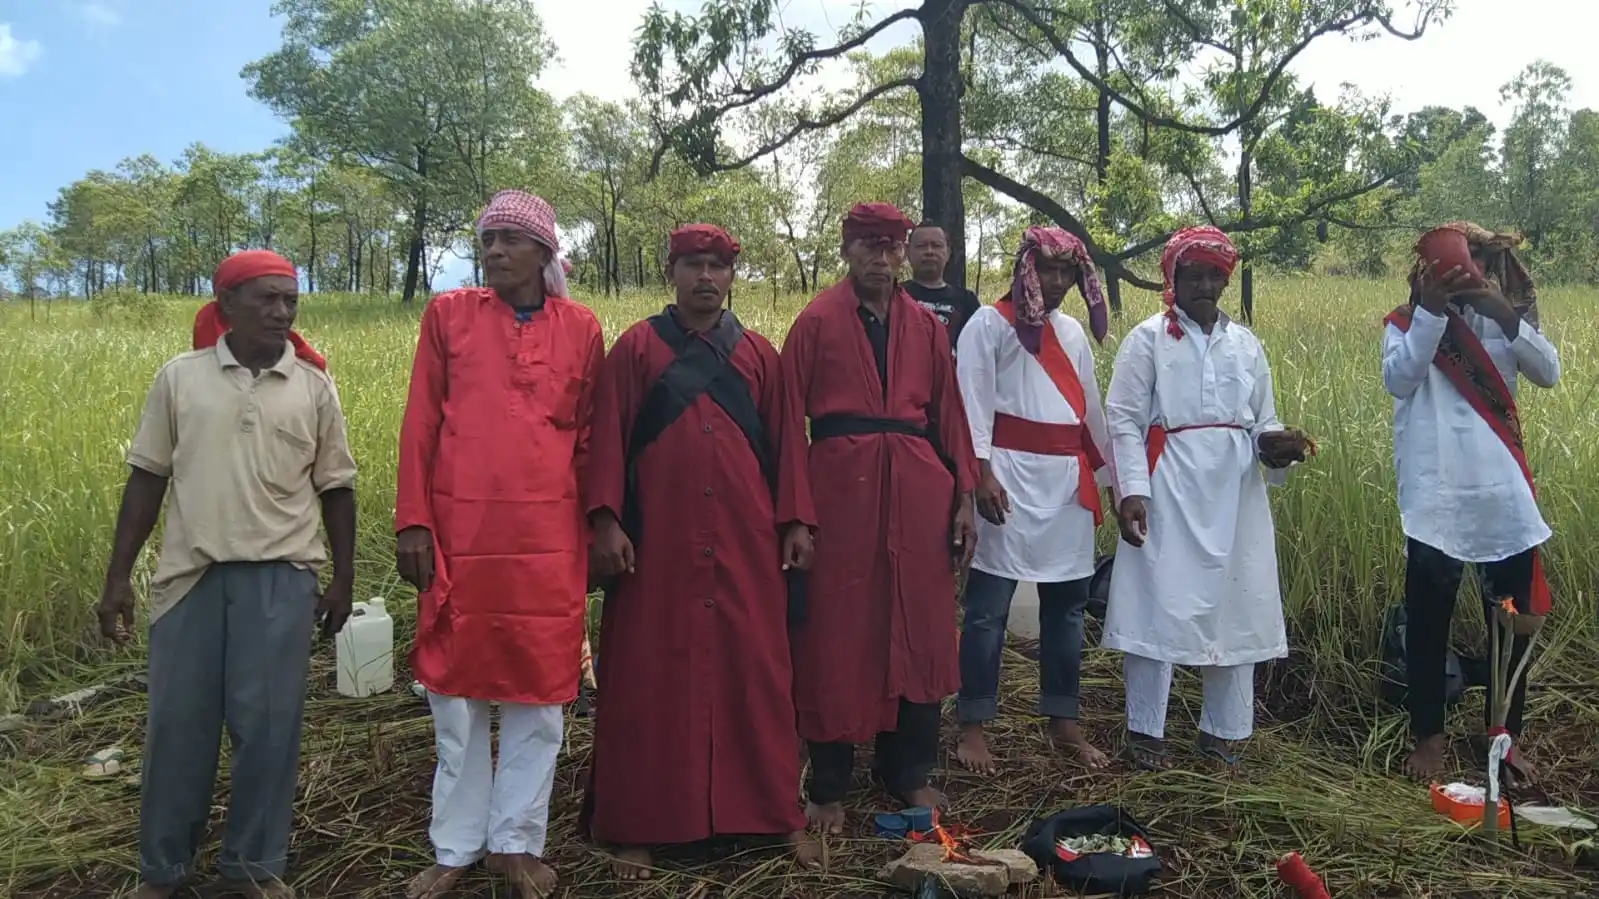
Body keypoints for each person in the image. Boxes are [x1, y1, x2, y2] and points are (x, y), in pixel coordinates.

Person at [98, 250, 357, 899]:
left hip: (281, 577)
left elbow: (337, 488)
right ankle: (162, 872)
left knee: (268, 731)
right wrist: (117, 578)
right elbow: (147, 478)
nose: (281, 312)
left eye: (289, 300)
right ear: (225, 307)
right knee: (177, 729)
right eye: (266, 299)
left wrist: (343, 579)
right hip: (191, 577)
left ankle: (254, 868)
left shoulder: (312, 386)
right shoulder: (180, 379)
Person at [582, 224, 821, 878]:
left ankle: (774, 815)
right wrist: (606, 520)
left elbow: (787, 448)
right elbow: (606, 438)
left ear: (731, 276)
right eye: (693, 264)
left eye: (717, 265)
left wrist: (796, 521)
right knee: (644, 682)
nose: (705, 277)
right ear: (672, 270)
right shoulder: (635, 350)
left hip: (745, 547)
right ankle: (636, 823)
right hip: (656, 549)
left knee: (759, 678)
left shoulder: (759, 357)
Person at [396, 190, 604, 899]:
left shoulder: (581, 328)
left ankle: (515, 841)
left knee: (539, 697)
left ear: (545, 254)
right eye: (486, 239)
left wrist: (597, 528)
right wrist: (413, 521)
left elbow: (587, 439)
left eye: (509, 240)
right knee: (454, 696)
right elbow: (421, 423)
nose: (492, 251)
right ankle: (454, 845)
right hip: (459, 533)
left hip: (548, 541)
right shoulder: (448, 316)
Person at [778, 202, 979, 833]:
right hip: (840, 490)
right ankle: (829, 784)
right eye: (869, 245)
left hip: (918, 490)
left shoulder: (924, 327)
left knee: (920, 627)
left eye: (891, 247)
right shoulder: (814, 323)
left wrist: (965, 496)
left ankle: (908, 770)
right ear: (847, 251)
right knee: (838, 632)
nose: (882, 258)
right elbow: (787, 425)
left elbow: (950, 416)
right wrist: (795, 518)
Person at [1101, 226, 1313, 771]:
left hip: (1236, 489)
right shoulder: (1147, 339)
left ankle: (1224, 733)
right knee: (1156, 602)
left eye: (1213, 275)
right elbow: (1124, 420)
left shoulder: (1245, 344)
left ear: (1225, 280)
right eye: (1191, 274)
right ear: (1171, 279)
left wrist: (1278, 446)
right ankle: (1145, 733)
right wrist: (1132, 492)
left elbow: (1262, 419)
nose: (1203, 284)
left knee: (1236, 605)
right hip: (1168, 482)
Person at [1383, 222, 1559, 784]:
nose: (1467, 271)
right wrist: (1434, 312)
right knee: (1429, 622)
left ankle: (1503, 740)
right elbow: (1400, 378)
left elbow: (1547, 372)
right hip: (1436, 498)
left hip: (1501, 498)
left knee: (1510, 624)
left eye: (1480, 261)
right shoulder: (1408, 324)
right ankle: (1429, 737)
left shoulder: (1504, 325)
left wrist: (1501, 310)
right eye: (1459, 261)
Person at [953, 226, 1112, 775]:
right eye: (1048, 270)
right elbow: (970, 403)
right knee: (987, 611)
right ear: (1027, 268)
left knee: (1067, 610)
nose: (1058, 281)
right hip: (1008, 477)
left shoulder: (1069, 334)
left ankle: (1063, 719)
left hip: (1066, 483)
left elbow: (1090, 414)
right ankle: (972, 725)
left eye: (1068, 272)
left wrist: (1112, 482)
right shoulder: (988, 324)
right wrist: (981, 474)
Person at [901, 221, 982, 354]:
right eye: (921, 246)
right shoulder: (894, 296)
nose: (929, 252)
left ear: (948, 252)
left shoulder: (967, 301)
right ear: (907, 251)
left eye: (936, 246)